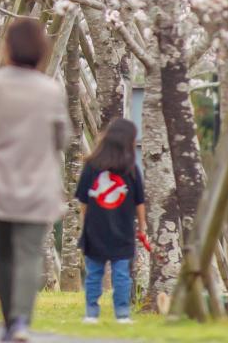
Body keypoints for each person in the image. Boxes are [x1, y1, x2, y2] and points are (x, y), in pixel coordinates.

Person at [0, 18, 69, 343]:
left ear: (8, 47)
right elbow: (61, 137)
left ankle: (9, 321)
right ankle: (21, 321)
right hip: (38, 183)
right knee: (28, 253)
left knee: (4, 252)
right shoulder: (51, 90)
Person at [76, 117, 147, 326]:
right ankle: (122, 314)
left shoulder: (91, 167)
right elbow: (139, 202)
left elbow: (83, 200)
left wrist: (85, 223)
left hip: (95, 231)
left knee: (94, 275)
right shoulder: (131, 169)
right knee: (122, 275)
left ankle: (91, 313)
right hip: (123, 231)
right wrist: (141, 228)